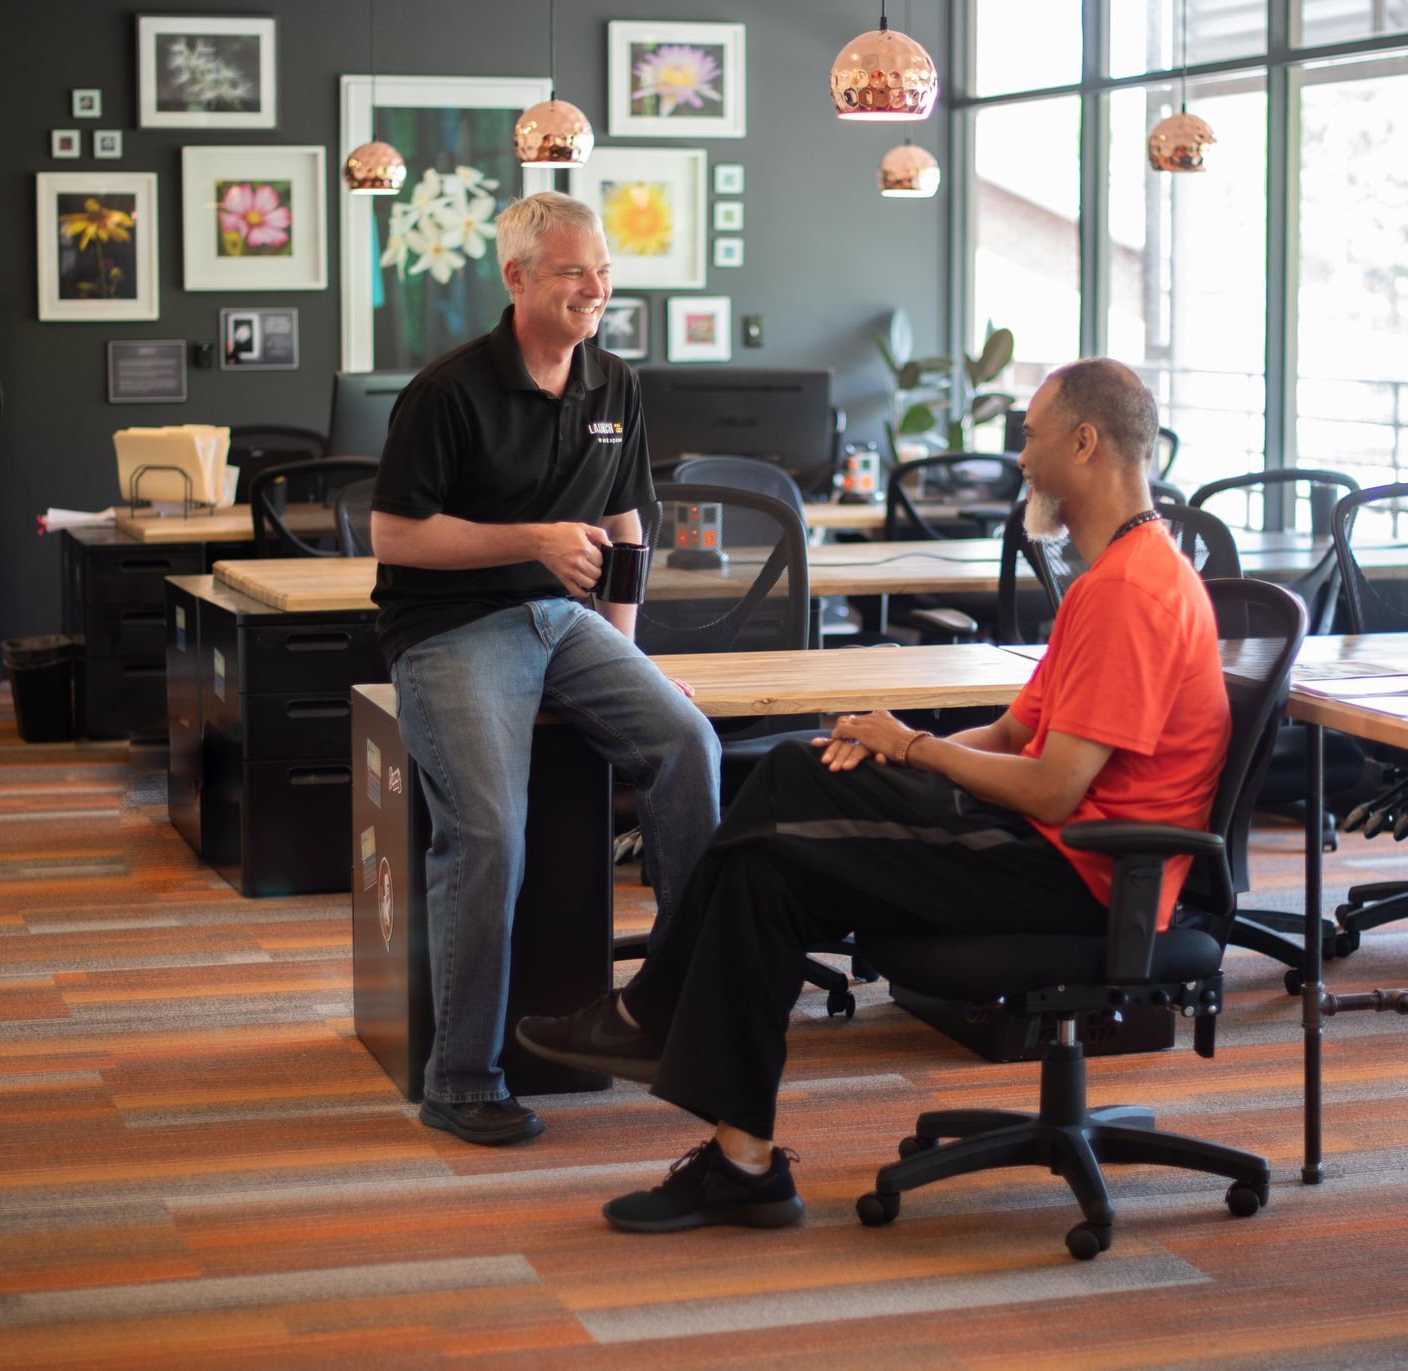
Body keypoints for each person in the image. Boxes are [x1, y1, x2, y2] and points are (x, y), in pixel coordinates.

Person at [516, 357, 1229, 1230]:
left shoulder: (1130, 593)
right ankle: (743, 1162)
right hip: (1047, 847)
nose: (1021, 460)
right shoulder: (1115, 577)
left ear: (1085, 442)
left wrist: (916, 746)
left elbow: (1052, 788)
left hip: (1086, 877)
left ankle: (648, 1010)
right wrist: (887, 757)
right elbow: (1011, 736)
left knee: (783, 773)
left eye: (1032, 437)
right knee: (771, 863)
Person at [369, 191, 720, 1147]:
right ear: (517, 277)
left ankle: (684, 1006)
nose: (595, 289)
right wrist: (527, 539)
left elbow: (625, 525)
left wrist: (627, 648)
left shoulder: (614, 385)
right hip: (450, 627)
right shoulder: (447, 392)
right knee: (488, 833)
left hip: (568, 625)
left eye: (603, 273)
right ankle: (462, 1075)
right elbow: (394, 536)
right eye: (573, 273)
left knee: (687, 743)